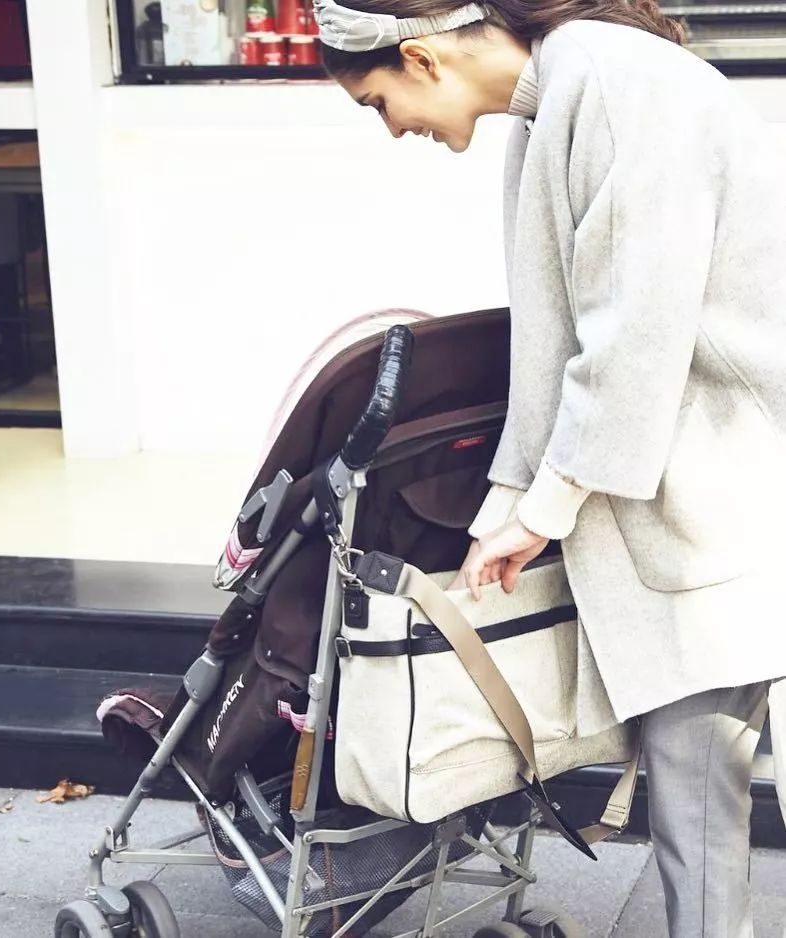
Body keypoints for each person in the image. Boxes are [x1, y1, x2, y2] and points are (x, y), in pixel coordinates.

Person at [315, 1, 786, 935]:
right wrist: (513, 499)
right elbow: (553, 341)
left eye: (377, 102)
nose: (394, 128)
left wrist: (543, 505)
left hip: (725, 481)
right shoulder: (564, 92)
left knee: (699, 792)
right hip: (702, 477)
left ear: (420, 56)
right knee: (700, 796)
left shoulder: (609, 82)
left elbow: (630, 335)